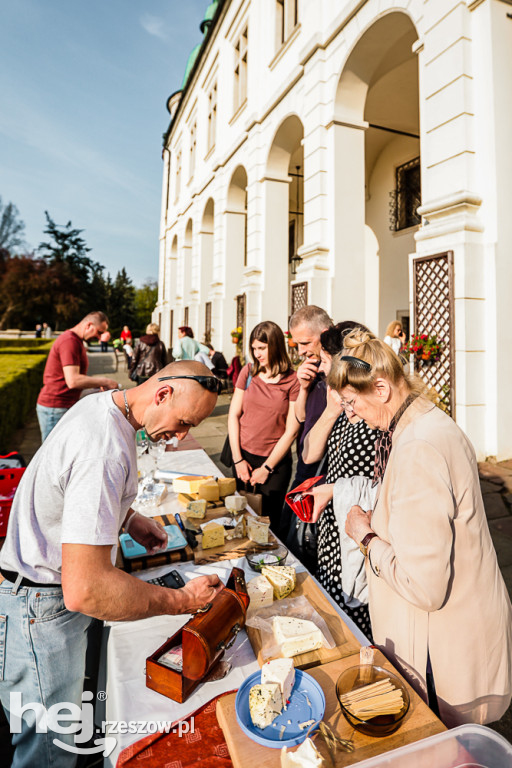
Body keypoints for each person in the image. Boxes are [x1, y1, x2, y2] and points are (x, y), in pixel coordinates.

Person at [0, 361, 224, 766]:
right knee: (49, 750)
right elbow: (86, 589)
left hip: (41, 597)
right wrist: (183, 600)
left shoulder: (106, 406)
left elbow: (72, 491)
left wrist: (128, 517)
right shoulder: (103, 448)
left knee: (67, 734)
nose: (182, 435)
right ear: (162, 394)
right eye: (183, 422)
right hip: (41, 606)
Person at [327, 328, 512, 727]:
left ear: (380, 388)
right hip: (458, 630)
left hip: (444, 650)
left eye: (350, 403)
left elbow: (423, 587)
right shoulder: (426, 421)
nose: (349, 414)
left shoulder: (417, 448)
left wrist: (366, 536)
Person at [302, 322, 378, 637]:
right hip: (334, 522)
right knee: (334, 605)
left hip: (362, 521)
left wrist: (335, 491)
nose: (320, 367)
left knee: (360, 611)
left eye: (325, 360)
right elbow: (308, 454)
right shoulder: (340, 404)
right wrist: (333, 409)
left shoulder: (372, 408)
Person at [227, 321, 300, 538]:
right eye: (254, 348)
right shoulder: (248, 372)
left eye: (262, 348)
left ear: (276, 346)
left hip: (274, 466)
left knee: (269, 527)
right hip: (243, 460)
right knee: (239, 519)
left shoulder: (292, 380)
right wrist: (238, 460)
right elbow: (234, 415)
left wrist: (266, 468)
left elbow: (291, 431)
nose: (257, 354)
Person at [282, 305, 332, 571]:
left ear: (324, 334)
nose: (300, 351)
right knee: (290, 539)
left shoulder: (337, 369)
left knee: (307, 548)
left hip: (323, 472)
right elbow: (300, 417)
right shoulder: (311, 367)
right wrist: (302, 388)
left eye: (304, 342)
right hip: (305, 467)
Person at [36, 311, 119, 441]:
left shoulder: (75, 340)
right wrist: (105, 381)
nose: (99, 337)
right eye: (99, 332)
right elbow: (73, 380)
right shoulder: (69, 341)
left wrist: (95, 389)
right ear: (89, 325)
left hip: (62, 406)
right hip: (55, 407)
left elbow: (69, 382)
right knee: (54, 458)